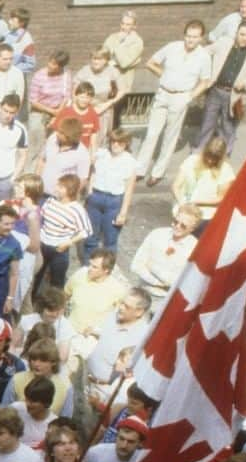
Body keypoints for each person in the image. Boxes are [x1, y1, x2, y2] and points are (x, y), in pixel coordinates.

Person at [136, 21, 212, 186]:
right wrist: (163, 76)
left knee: (170, 137)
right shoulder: (172, 47)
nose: (190, 40)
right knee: (152, 133)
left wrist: (190, 96)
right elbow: (150, 63)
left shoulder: (203, 56)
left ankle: (158, 172)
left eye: (195, 37)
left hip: (181, 97)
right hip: (163, 94)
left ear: (201, 38)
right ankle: (140, 170)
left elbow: (205, 81)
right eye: (188, 36)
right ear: (184, 35)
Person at [198, 19, 246, 152]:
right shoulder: (224, 42)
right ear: (236, 33)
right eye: (242, 34)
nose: (245, 38)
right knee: (207, 122)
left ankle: (223, 153)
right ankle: (198, 150)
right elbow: (204, 52)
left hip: (235, 94)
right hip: (216, 90)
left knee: (227, 125)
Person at [83, 128, 138, 262]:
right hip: (96, 197)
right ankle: (87, 266)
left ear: (126, 144)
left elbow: (129, 189)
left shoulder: (130, 162)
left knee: (110, 239)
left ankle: (106, 269)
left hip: (114, 202)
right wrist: (89, 192)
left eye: (120, 142)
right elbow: (93, 172)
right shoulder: (101, 154)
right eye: (113, 141)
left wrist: (123, 212)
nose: (116, 145)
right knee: (90, 236)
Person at [130, 205, 201, 307]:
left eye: (183, 225)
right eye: (175, 222)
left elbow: (187, 282)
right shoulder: (157, 234)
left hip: (167, 300)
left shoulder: (195, 249)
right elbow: (136, 265)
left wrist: (151, 267)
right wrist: (157, 283)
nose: (177, 226)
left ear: (192, 229)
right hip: (142, 290)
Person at [171, 136, 235, 222]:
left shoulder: (226, 170)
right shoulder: (191, 160)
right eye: (208, 156)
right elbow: (176, 185)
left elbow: (221, 198)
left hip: (205, 215)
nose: (210, 161)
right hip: (182, 210)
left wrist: (197, 202)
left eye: (215, 159)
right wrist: (181, 202)